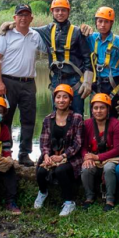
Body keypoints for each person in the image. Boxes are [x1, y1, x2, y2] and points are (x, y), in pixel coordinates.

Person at [0, 5, 47, 167]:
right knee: (5, 118)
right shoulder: (5, 34)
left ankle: (24, 153)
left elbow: (49, 46)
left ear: (31, 18)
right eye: (20, 15)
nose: (23, 18)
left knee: (29, 119)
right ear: (14, 18)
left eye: (26, 15)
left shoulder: (35, 36)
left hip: (28, 83)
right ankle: (6, 151)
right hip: (8, 81)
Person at [31, 0, 93, 116]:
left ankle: (77, 135)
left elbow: (87, 59)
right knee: (57, 116)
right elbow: (26, 29)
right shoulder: (46, 31)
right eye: (57, 10)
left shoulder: (78, 32)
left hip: (75, 80)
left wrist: (87, 81)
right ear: (52, 11)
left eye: (63, 10)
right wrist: (10, 24)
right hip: (56, 79)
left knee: (77, 115)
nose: (60, 13)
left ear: (68, 12)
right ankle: (57, 135)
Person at [34, 85, 85, 217]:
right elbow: (44, 141)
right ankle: (43, 192)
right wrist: (46, 155)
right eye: (58, 97)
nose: (61, 100)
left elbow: (77, 143)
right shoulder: (48, 119)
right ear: (54, 100)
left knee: (60, 170)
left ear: (70, 101)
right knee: (41, 171)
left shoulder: (77, 118)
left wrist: (63, 156)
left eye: (65, 97)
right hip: (52, 156)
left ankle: (69, 201)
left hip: (70, 157)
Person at [81, 93, 119, 211]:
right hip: (93, 157)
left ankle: (110, 199)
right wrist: (87, 157)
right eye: (96, 108)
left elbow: (117, 149)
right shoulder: (87, 124)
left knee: (109, 168)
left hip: (111, 157)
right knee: (86, 168)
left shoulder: (115, 124)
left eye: (102, 108)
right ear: (92, 110)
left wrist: (97, 157)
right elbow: (83, 146)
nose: (98, 111)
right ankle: (89, 197)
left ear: (108, 110)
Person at [88, 7, 119, 118]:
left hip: (113, 84)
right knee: (95, 116)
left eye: (106, 22)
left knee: (112, 117)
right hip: (96, 83)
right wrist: (82, 29)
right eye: (100, 21)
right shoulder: (91, 38)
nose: (103, 25)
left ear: (111, 23)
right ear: (96, 22)